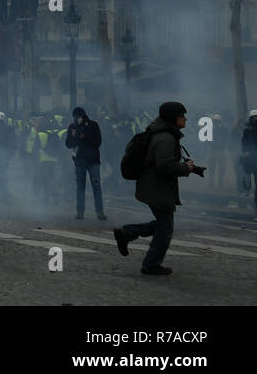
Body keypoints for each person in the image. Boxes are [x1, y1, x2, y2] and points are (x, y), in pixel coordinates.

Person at [113, 101, 203, 275]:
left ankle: (127, 233)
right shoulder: (166, 138)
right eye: (182, 116)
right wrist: (187, 168)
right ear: (173, 118)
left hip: (154, 187)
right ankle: (151, 264)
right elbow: (165, 166)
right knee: (165, 228)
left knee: (163, 225)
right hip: (156, 188)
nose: (185, 119)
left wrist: (193, 169)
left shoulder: (165, 134)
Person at [65, 106, 105, 220]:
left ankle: (99, 211)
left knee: (96, 186)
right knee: (80, 187)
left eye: (78, 117)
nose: (77, 119)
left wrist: (84, 136)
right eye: (75, 117)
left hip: (93, 160)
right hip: (79, 160)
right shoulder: (72, 127)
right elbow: (68, 144)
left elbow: (98, 141)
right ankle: (80, 211)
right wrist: (73, 136)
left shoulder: (93, 125)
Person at [242, 110, 257, 214]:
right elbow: (244, 143)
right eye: (254, 118)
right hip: (252, 160)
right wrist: (246, 152)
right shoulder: (247, 131)